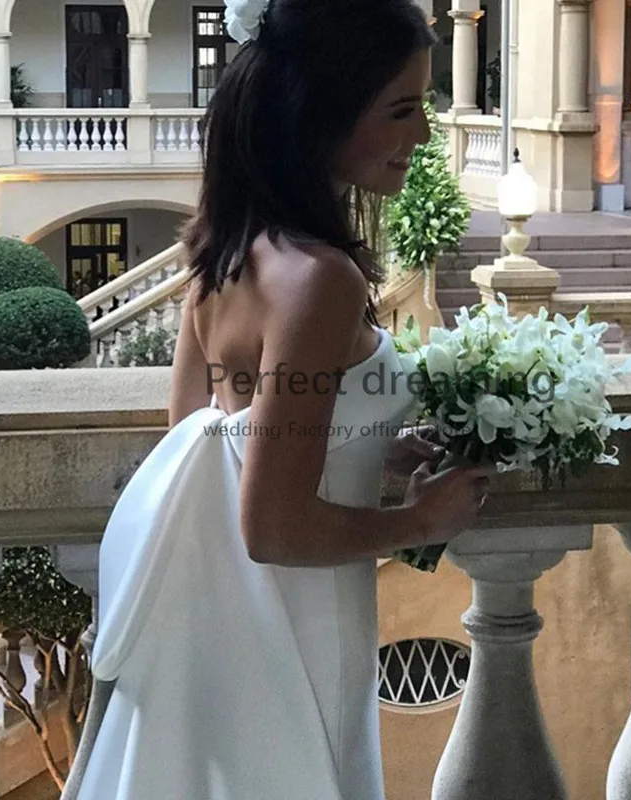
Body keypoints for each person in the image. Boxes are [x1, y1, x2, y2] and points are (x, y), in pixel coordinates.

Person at [75, 1, 493, 798]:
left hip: (227, 618)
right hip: (299, 618)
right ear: (322, 114)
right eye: (401, 109)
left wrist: (362, 445)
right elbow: (273, 527)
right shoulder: (319, 279)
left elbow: (203, 432)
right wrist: (419, 522)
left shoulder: (224, 246)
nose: (423, 132)